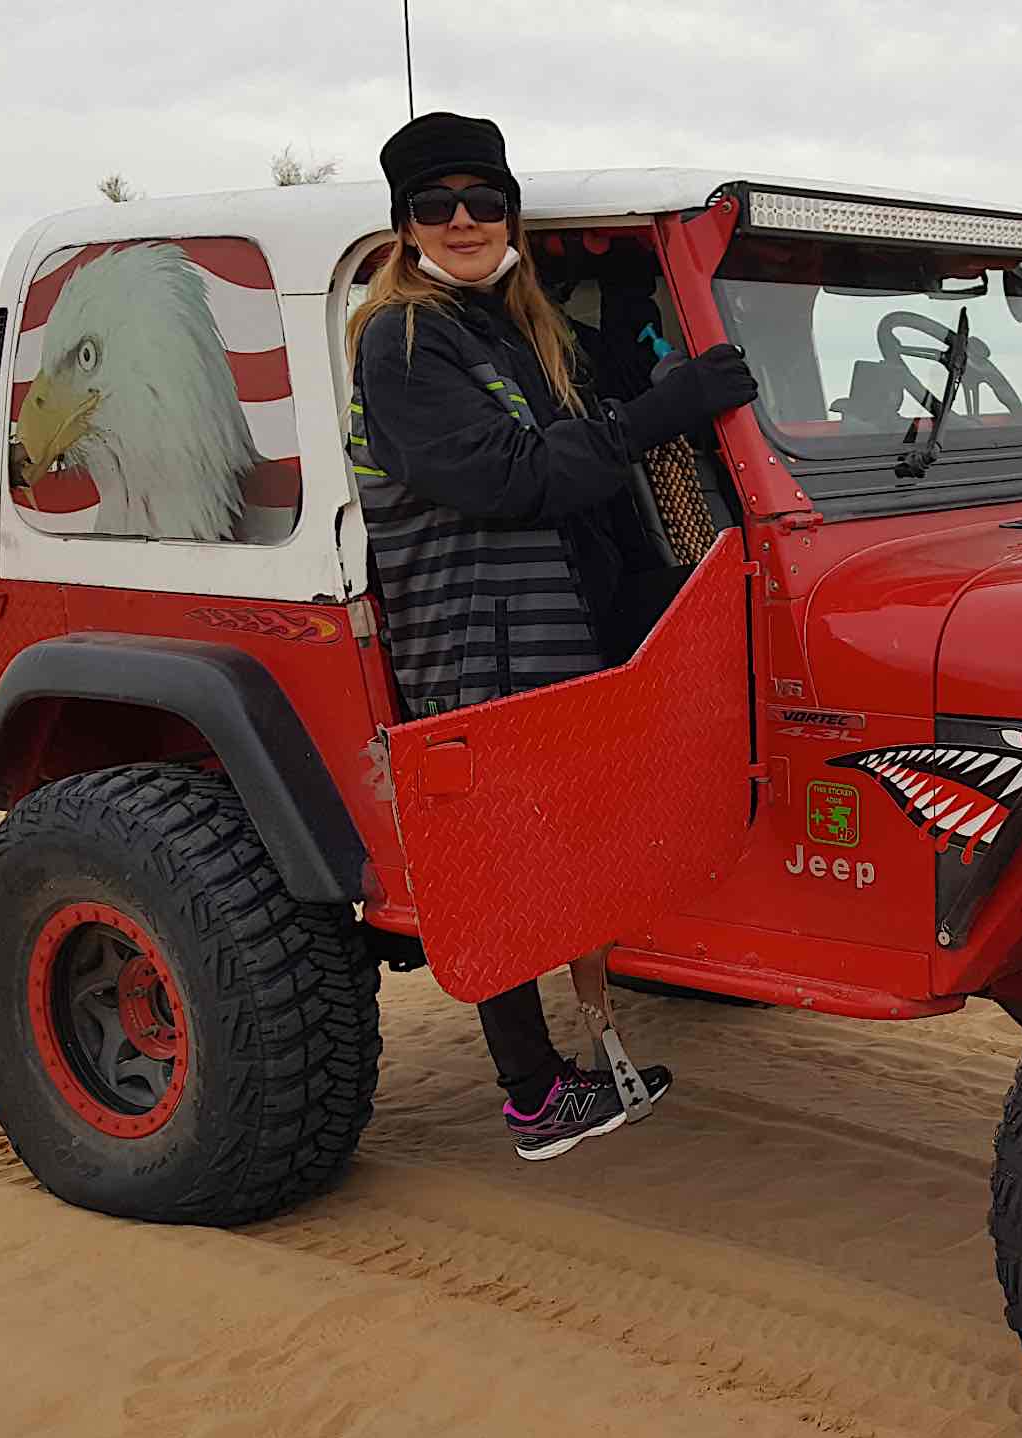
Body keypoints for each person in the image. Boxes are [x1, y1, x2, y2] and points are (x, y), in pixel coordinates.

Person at [345, 111, 757, 1161]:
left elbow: (597, 399)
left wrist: (645, 347)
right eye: (437, 205)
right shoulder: (401, 340)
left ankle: (589, 1055)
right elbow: (509, 476)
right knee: (505, 864)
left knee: (566, 845)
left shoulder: (513, 324)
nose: (464, 220)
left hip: (559, 619)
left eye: (484, 200)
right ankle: (532, 1093)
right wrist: (661, 411)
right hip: (478, 636)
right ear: (405, 224)